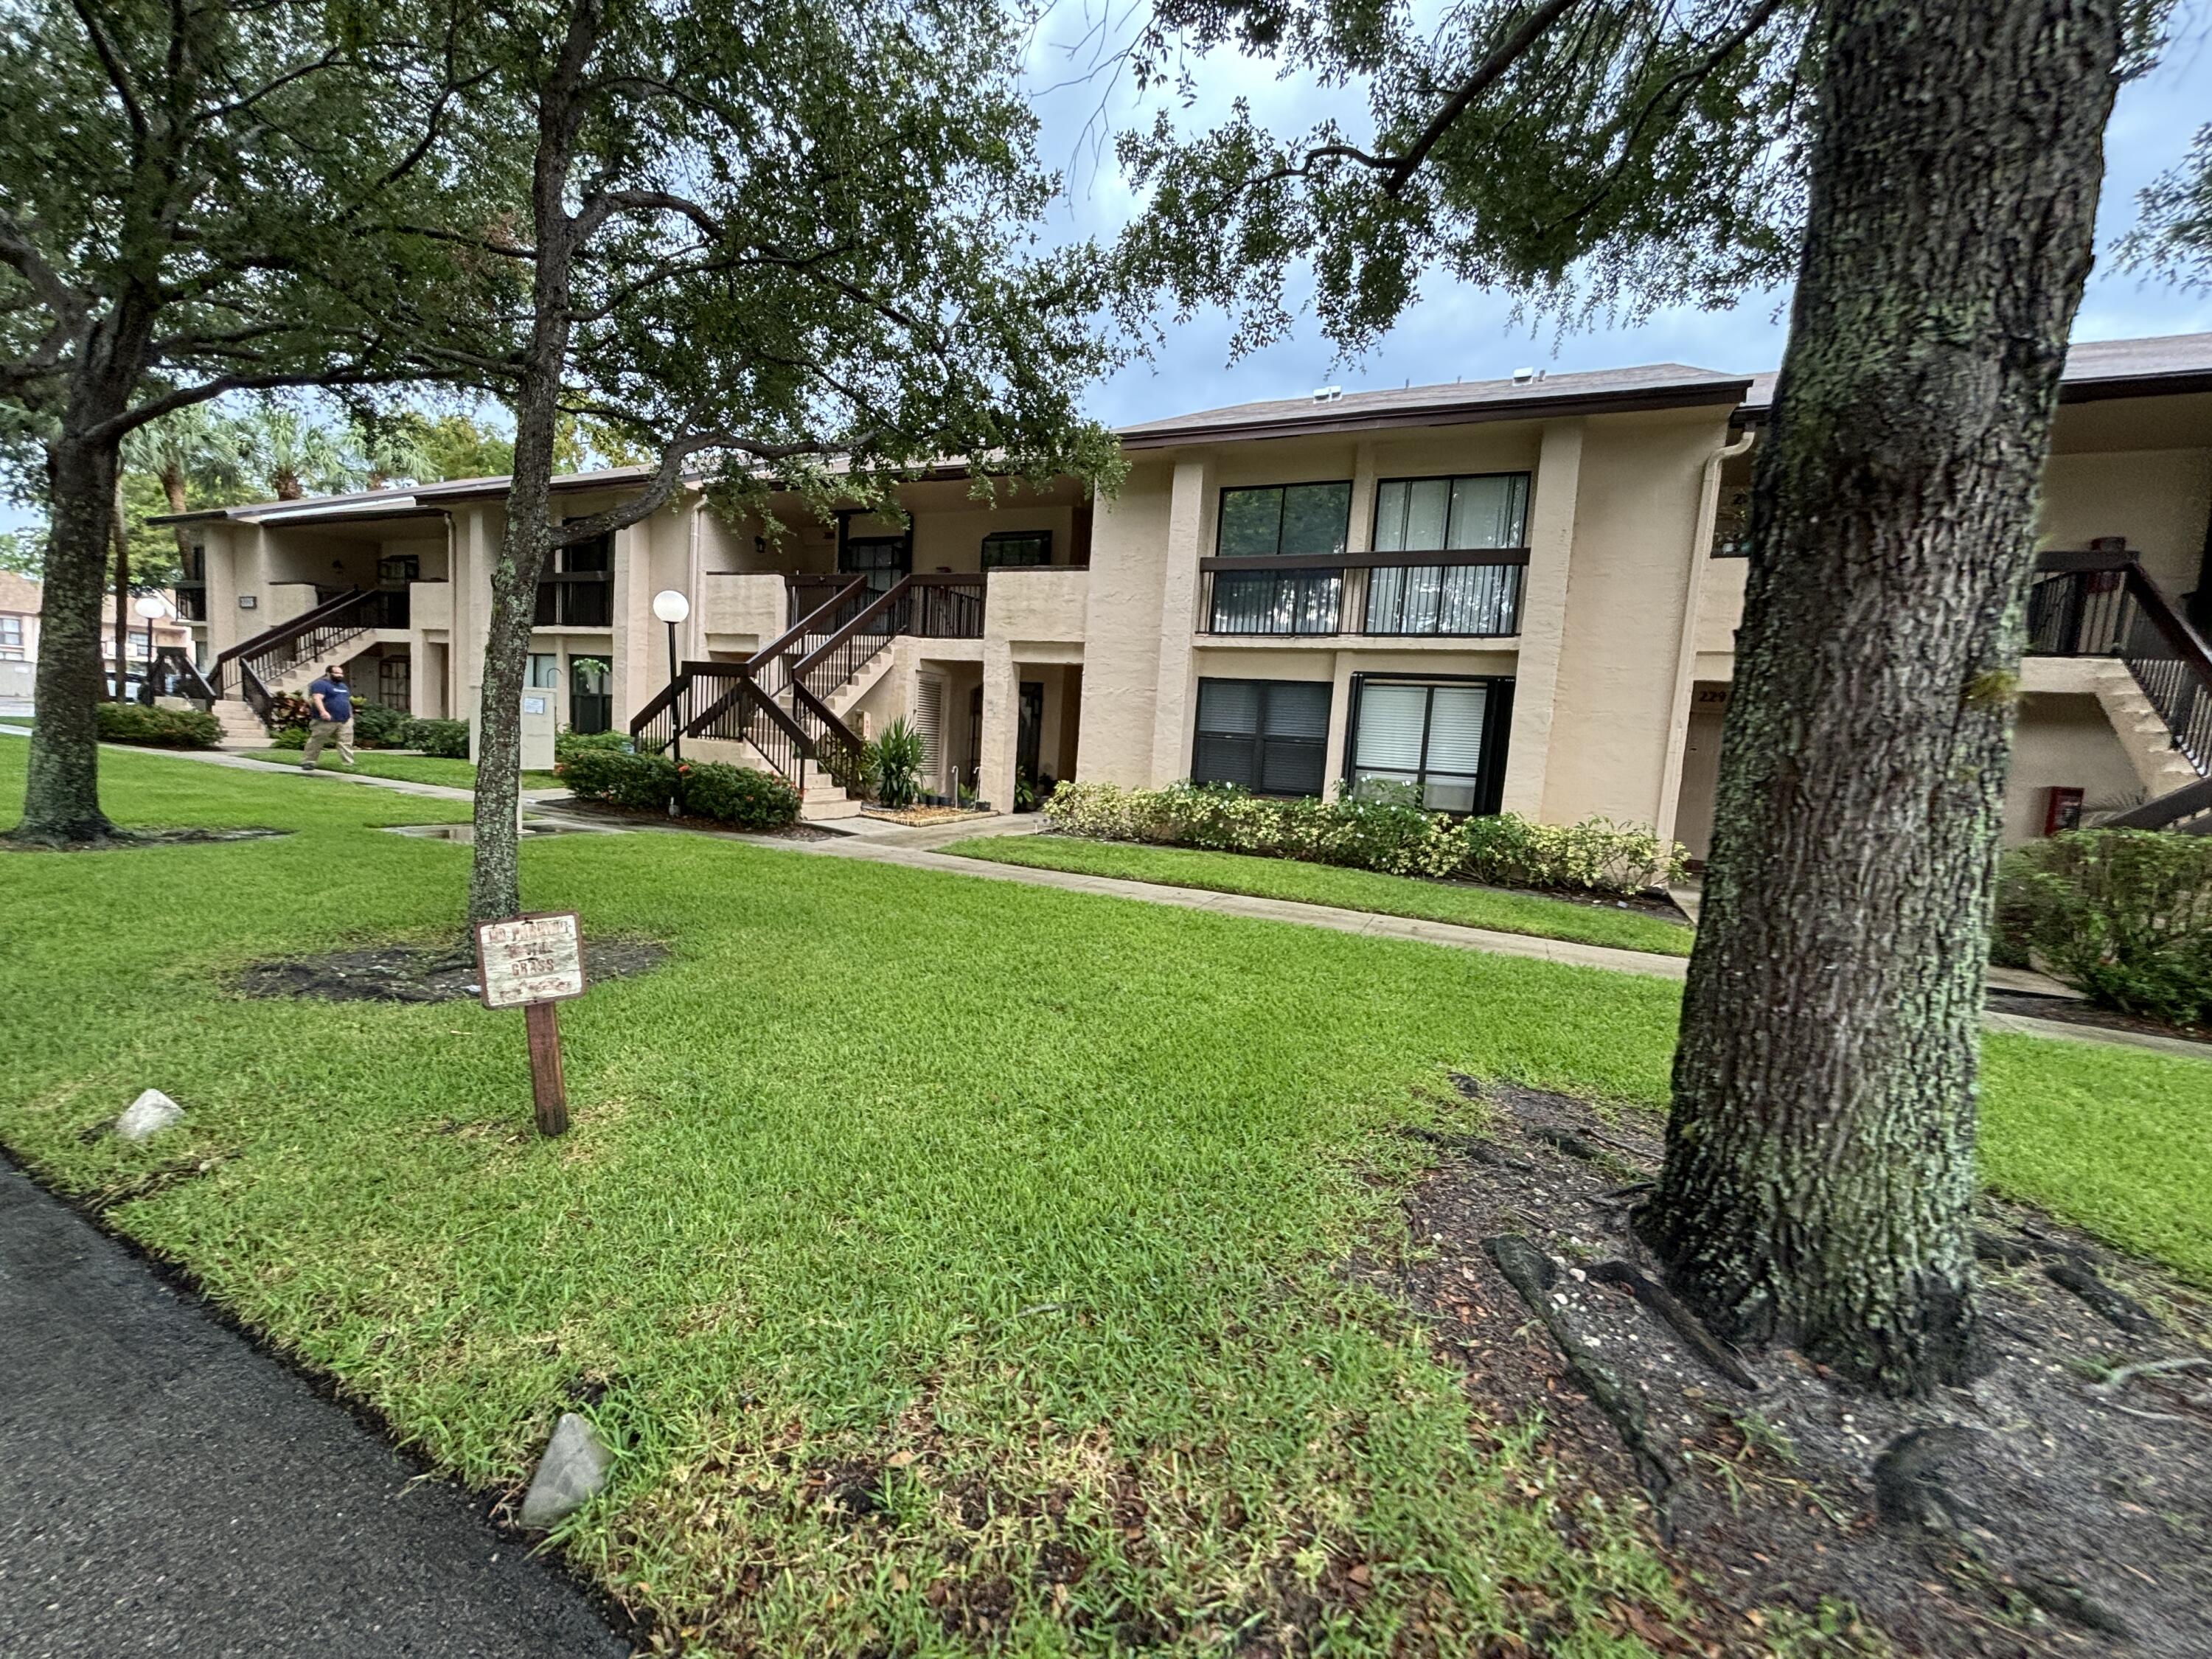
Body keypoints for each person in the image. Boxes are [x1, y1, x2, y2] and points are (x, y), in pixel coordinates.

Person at [300, 664, 355, 771]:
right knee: (317, 740)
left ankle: (348, 764)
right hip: (325, 720)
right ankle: (308, 762)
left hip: (344, 719)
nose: (340, 675)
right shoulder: (320, 684)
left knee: (346, 742)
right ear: (328, 673)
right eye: (336, 673)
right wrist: (323, 712)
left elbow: (346, 702)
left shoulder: (343, 686)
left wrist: (351, 716)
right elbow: (317, 698)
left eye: (341, 673)